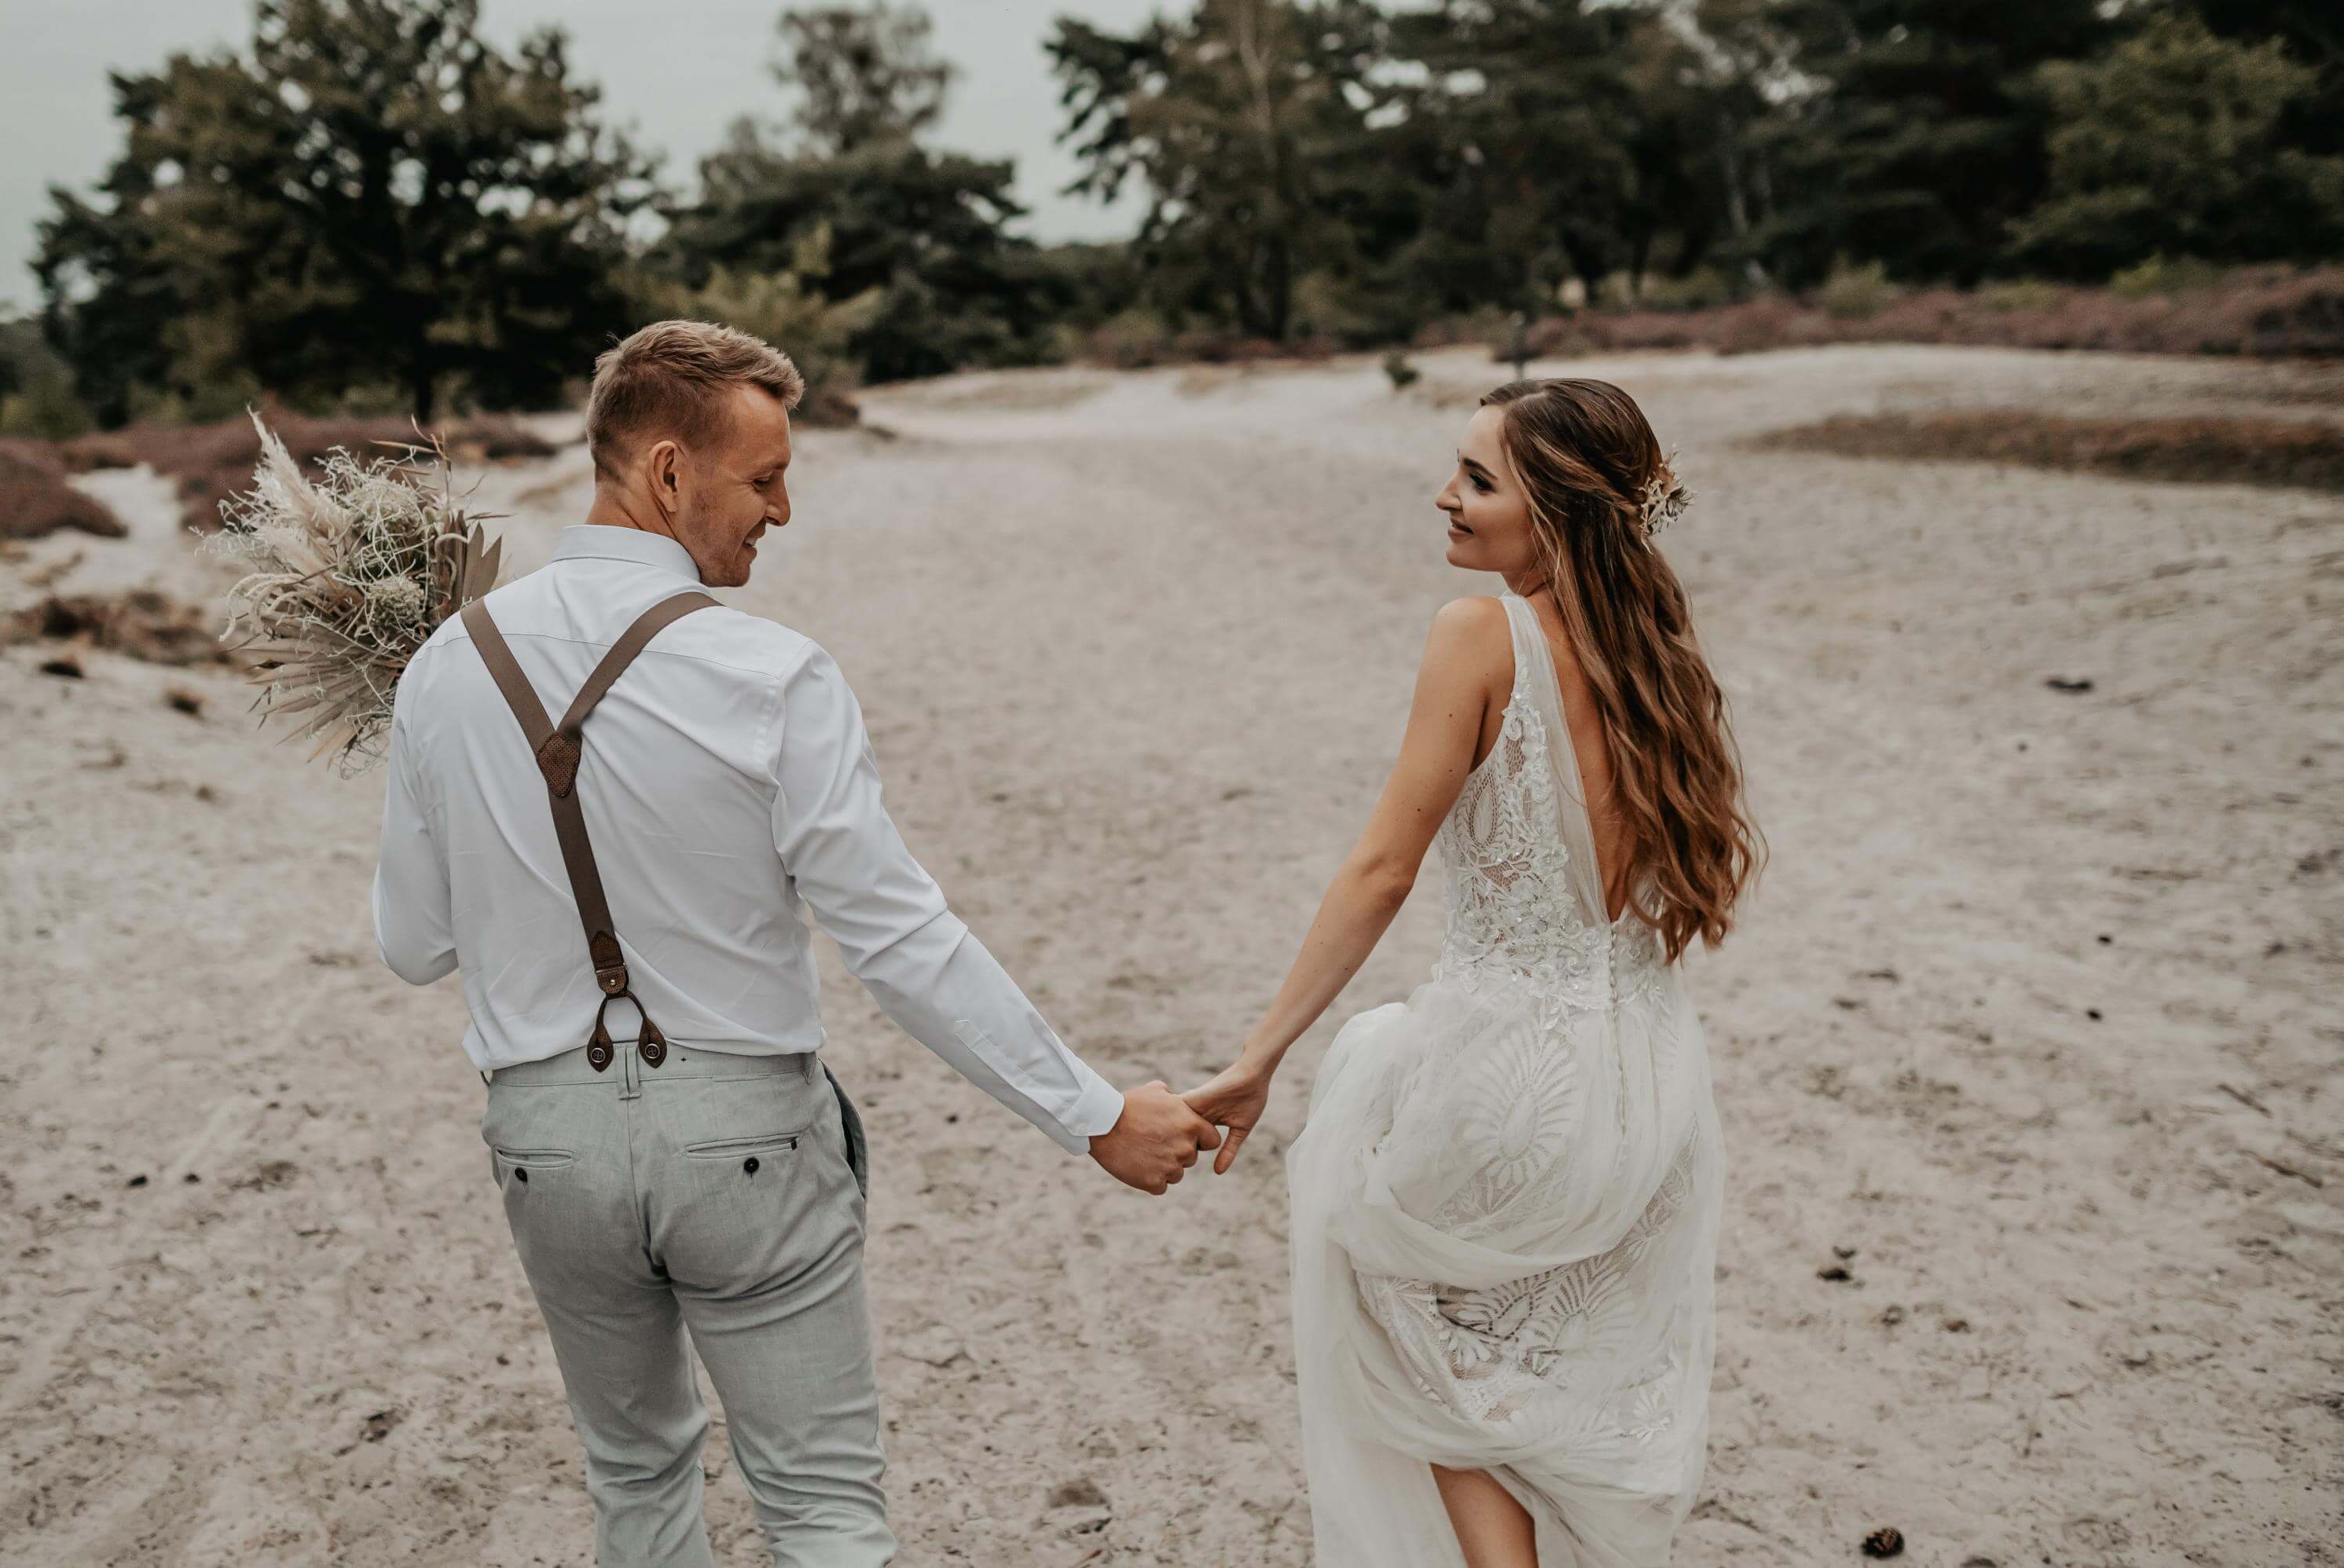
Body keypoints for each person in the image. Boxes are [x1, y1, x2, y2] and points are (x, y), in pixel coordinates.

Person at [371, 320, 1216, 1568]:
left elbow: (413, 944)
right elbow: (901, 941)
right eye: (764, 477)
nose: (784, 509)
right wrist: (1091, 1113)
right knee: (823, 1513)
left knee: (637, 1486)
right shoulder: (772, 674)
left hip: (547, 1144)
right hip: (745, 1144)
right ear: (667, 473)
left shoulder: (446, 665)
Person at [1183, 379, 1760, 1566]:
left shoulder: (1479, 633)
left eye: (1480, 480)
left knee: (1413, 1334)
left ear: (1558, 509)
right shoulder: (1662, 663)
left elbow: (1384, 867)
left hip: (1504, 1076)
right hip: (1651, 1089)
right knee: (1536, 1386)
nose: (1445, 497)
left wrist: (1262, 1055)